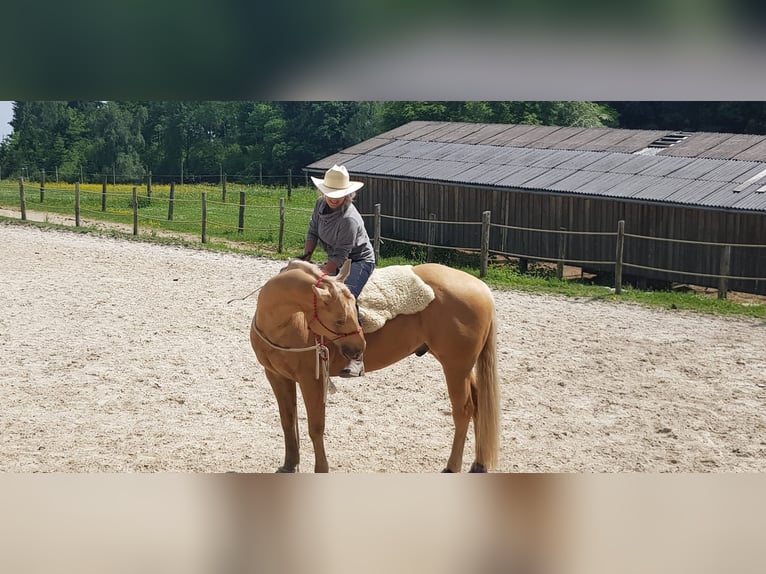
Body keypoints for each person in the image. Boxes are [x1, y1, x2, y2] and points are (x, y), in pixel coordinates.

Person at [299, 164, 375, 377]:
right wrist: (306, 257)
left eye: (339, 194)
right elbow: (312, 230)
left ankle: (357, 358)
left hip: (358, 259)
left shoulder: (348, 219)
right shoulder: (319, 205)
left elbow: (342, 255)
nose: (333, 198)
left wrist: (323, 271)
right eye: (330, 193)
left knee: (346, 298)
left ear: (348, 194)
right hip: (335, 257)